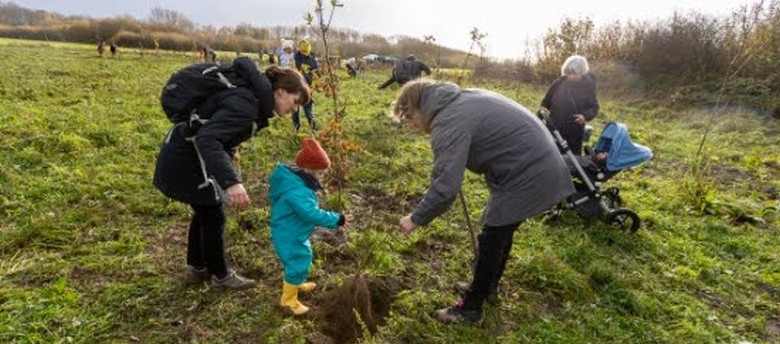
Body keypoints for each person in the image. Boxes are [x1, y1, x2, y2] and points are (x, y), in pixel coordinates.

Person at [393, 79, 575, 324]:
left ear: (417, 106)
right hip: (538, 164)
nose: (412, 126)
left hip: (529, 173)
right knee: (500, 233)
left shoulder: (449, 120)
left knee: (493, 238)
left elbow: (445, 188)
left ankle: (471, 308)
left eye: (409, 117)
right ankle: (486, 286)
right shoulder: (462, 99)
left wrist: (416, 218)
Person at [153, 65, 311, 289]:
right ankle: (221, 276)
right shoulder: (247, 104)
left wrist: (230, 146)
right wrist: (232, 182)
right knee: (212, 215)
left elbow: (214, 128)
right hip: (189, 160)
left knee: (204, 211)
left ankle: (197, 268)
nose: (294, 110)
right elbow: (208, 140)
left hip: (186, 154)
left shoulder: (250, 98)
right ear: (281, 92)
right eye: (295, 102)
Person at [268, 138, 353, 314]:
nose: (322, 177)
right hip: (288, 233)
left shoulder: (297, 182)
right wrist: (338, 219)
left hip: (293, 230)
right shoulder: (297, 191)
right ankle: (288, 301)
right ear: (308, 170)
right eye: (320, 173)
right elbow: (311, 214)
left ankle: (296, 283)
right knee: (297, 261)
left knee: (302, 258)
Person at [540, 55, 599, 156]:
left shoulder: (587, 86)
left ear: (582, 72)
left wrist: (584, 116)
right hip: (554, 126)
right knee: (550, 155)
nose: (571, 76)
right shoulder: (559, 83)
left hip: (574, 131)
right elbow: (546, 102)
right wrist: (543, 111)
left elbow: (594, 107)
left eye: (574, 73)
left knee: (572, 158)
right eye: (568, 73)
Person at [292, 39, 319, 131]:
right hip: (295, 88)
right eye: (303, 51)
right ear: (299, 49)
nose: (304, 53)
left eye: (306, 52)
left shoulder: (312, 60)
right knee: (295, 110)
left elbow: (316, 75)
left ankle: (314, 129)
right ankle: (296, 128)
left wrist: (312, 87)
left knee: (308, 110)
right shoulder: (295, 59)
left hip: (308, 88)